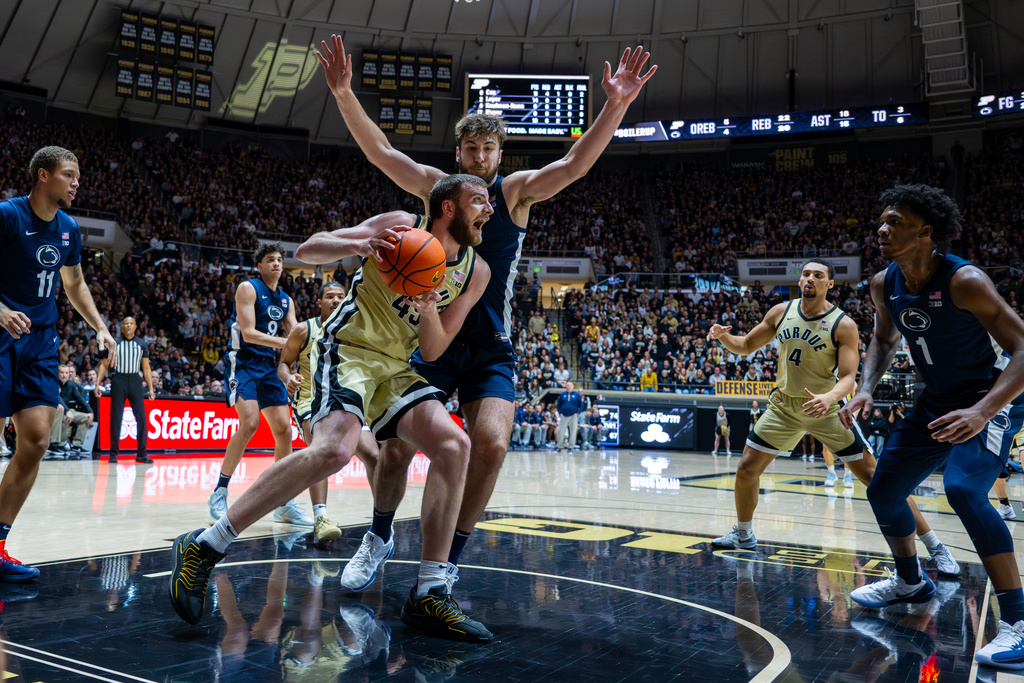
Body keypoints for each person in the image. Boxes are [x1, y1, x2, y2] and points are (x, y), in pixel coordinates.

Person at [318, 33, 656, 596]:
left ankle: (447, 559)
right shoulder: (435, 191)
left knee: (492, 444)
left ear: (501, 155)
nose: (480, 158)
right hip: (426, 337)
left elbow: (573, 166)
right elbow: (382, 153)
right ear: (459, 155)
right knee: (397, 450)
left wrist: (616, 105)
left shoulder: (515, 193)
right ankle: (378, 536)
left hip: (489, 343)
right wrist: (344, 94)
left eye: (488, 150)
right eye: (471, 149)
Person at [169, 174, 494, 644]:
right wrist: (361, 242)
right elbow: (308, 249)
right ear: (447, 208)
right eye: (479, 201)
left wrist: (427, 309)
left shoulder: (476, 271)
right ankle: (206, 545)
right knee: (336, 449)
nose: (488, 210)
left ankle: (429, 591)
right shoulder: (404, 225)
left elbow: (436, 347)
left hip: (395, 367)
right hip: (346, 348)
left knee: (454, 443)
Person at [837, 184, 1024, 669]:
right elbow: (883, 337)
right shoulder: (884, 283)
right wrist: (865, 386)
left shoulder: (965, 280)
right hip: (937, 402)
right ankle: (909, 582)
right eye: (881, 220)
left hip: (990, 396)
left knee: (963, 491)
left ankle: (1020, 623)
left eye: (894, 221)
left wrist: (983, 410)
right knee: (884, 489)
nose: (881, 228)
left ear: (925, 231)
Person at [709, 259, 960, 576]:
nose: (809, 278)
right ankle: (744, 535)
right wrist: (722, 338)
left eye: (818, 275)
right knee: (746, 469)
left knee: (879, 479)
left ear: (830, 284)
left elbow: (848, 377)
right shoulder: (779, 312)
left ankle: (936, 547)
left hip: (827, 408)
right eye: (805, 274)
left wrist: (829, 397)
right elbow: (745, 345)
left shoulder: (843, 324)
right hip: (784, 407)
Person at [0, 145, 116, 581]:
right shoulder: (8, 215)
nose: (76, 182)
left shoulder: (67, 228)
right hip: (1, 334)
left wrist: (100, 327)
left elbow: (75, 283)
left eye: (78, 175)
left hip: (41, 341)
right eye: (69, 174)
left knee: (35, 439)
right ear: (43, 176)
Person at [207, 243, 309, 526]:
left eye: (279, 259)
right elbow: (250, 334)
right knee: (250, 422)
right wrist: (288, 343)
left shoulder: (286, 300)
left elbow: (298, 332)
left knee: (285, 431)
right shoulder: (248, 288)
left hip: (270, 367)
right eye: (270, 260)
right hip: (242, 361)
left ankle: (283, 502)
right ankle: (220, 490)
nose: (276, 264)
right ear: (260, 266)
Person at [277, 280, 379, 545]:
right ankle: (321, 518)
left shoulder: (357, 330)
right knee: (321, 450)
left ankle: (381, 524)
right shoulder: (303, 329)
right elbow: (284, 364)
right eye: (329, 296)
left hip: (345, 400)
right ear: (319, 302)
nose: (335, 300)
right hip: (310, 401)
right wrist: (288, 378)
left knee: (374, 456)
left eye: (340, 296)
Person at [95, 316, 154, 464]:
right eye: (126, 323)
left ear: (135, 327)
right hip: (119, 380)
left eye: (131, 323)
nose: (128, 325)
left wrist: (151, 389)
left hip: (135, 380)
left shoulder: (142, 344)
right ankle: (113, 453)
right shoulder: (115, 343)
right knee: (116, 417)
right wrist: (97, 384)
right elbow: (104, 365)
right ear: (122, 327)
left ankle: (142, 453)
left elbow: (146, 368)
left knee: (141, 417)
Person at [52, 363, 93, 459]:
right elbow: (57, 397)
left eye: (66, 373)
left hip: (67, 410)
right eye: (62, 373)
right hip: (55, 410)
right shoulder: (54, 382)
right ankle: (58, 444)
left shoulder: (70, 384)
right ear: (57, 373)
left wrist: (90, 412)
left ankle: (77, 446)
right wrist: (67, 411)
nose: (64, 375)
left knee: (86, 417)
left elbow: (80, 398)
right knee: (65, 415)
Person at [555, 381, 584, 452]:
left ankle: (571, 446)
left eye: (570, 385)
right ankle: (559, 446)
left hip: (573, 416)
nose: (569, 386)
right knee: (561, 431)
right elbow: (558, 405)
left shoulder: (577, 395)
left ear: (573, 386)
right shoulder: (562, 395)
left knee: (573, 431)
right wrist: (560, 413)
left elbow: (581, 405)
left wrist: (577, 413)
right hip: (564, 415)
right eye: (567, 385)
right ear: (566, 386)